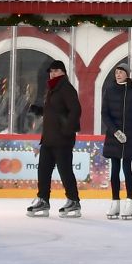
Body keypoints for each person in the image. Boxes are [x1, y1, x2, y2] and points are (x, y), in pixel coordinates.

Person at [27, 59, 83, 218]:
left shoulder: (66, 88)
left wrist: (68, 130)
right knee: (43, 170)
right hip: (49, 139)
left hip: (62, 139)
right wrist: (40, 110)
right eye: (51, 71)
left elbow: (75, 110)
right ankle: (43, 199)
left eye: (56, 71)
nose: (52, 74)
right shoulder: (53, 90)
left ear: (63, 72)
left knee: (65, 170)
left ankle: (73, 201)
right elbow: (56, 111)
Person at [102, 65, 132, 220]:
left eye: (121, 72)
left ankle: (129, 202)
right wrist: (115, 131)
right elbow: (105, 114)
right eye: (116, 72)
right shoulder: (109, 91)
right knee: (114, 170)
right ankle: (115, 202)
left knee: (127, 168)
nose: (118, 74)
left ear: (127, 75)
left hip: (131, 136)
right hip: (114, 137)